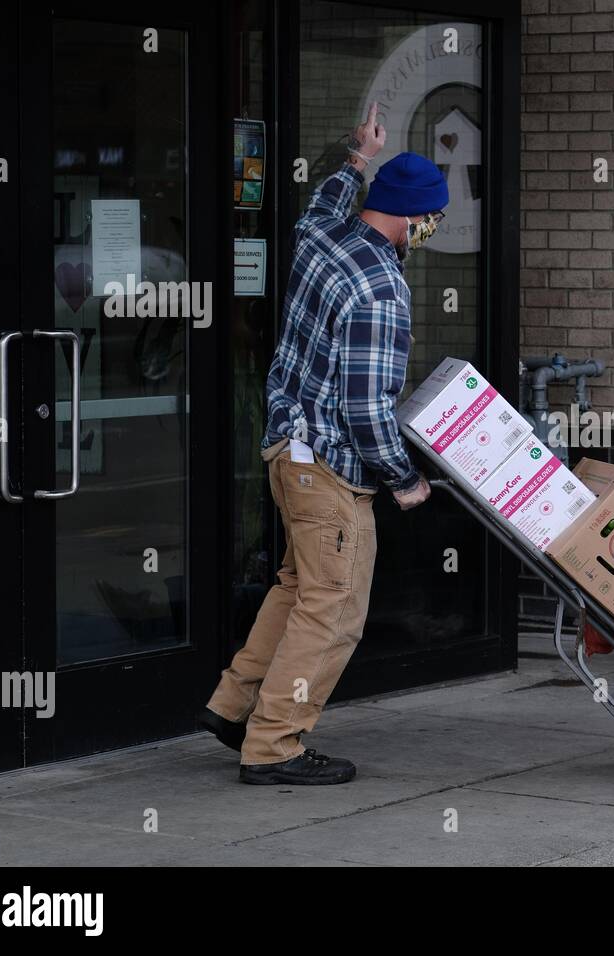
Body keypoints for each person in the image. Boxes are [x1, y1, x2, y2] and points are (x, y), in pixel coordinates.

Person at [198, 106, 447, 785]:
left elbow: (323, 203)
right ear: (414, 217)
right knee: (334, 612)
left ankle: (234, 706)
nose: (433, 230)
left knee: (298, 588)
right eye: (435, 219)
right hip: (333, 468)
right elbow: (368, 409)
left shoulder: (323, 238)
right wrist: (404, 480)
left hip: (286, 451)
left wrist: (358, 159)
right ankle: (275, 744)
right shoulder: (381, 290)